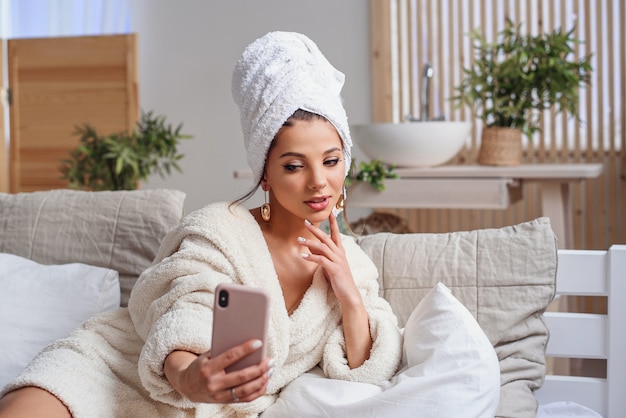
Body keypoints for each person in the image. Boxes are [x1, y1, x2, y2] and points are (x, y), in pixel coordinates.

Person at [0, 31, 402, 417]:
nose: (318, 181)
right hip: (114, 372)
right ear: (265, 174)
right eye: (294, 165)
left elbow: (366, 366)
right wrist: (191, 377)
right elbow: (183, 313)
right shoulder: (220, 230)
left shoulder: (352, 264)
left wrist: (347, 291)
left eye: (331, 160)